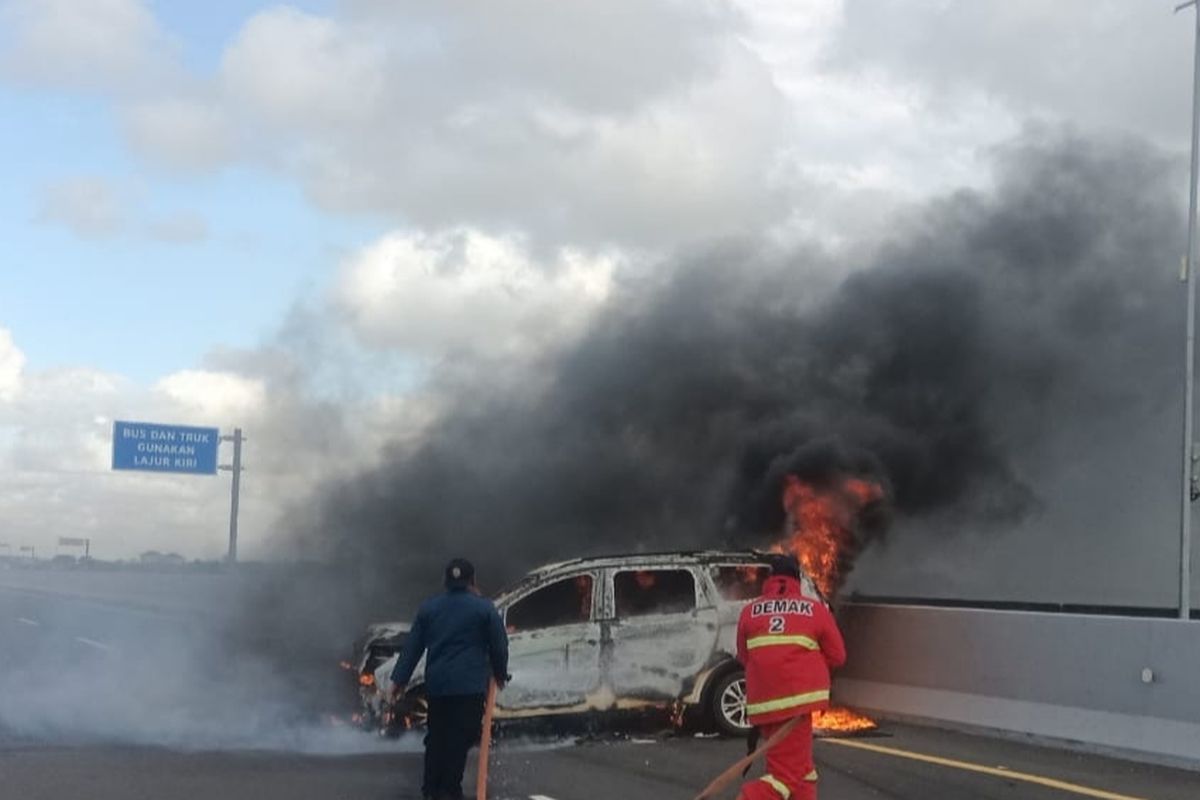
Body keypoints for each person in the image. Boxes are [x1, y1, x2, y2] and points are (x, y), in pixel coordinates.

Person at [391, 558, 509, 800]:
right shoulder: (484, 608)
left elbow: (412, 647)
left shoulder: (429, 608)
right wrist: (500, 673)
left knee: (437, 737)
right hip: (469, 688)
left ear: (445, 581)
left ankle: (431, 789)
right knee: (460, 738)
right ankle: (449, 790)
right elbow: (499, 645)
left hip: (438, 686)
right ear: (473, 580)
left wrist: (399, 680)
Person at [735, 554, 846, 800]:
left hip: (763, 704)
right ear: (797, 580)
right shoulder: (815, 610)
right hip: (797, 703)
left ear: (770, 580)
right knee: (785, 775)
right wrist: (808, 669)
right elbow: (838, 656)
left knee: (802, 770)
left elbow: (744, 656)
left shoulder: (749, 611)